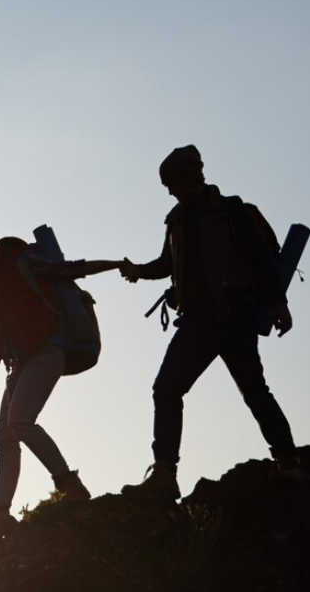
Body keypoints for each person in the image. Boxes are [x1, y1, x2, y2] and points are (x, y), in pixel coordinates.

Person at [119, 145, 299, 500]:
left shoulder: (231, 211)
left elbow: (261, 259)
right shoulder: (176, 219)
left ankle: (289, 461)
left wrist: (279, 303)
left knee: (253, 390)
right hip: (196, 322)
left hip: (235, 315)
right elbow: (167, 264)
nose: (169, 192)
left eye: (171, 184)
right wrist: (138, 271)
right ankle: (164, 473)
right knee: (166, 389)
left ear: (188, 178)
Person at [0, 225, 124, 552]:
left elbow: (68, 270)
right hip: (21, 363)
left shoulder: (17, 259)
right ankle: (0, 516)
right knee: (5, 435)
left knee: (20, 421)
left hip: (48, 350)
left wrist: (116, 264)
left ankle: (69, 485)